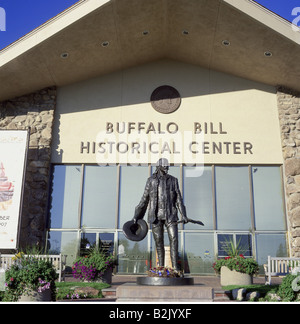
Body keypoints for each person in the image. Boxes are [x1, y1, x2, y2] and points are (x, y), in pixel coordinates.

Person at [133, 158, 188, 270]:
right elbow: (144, 199)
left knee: (174, 239)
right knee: (159, 242)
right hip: (155, 216)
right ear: (158, 167)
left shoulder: (173, 180)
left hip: (171, 215)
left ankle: (176, 268)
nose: (167, 168)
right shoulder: (150, 181)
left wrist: (184, 215)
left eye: (168, 166)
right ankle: (161, 268)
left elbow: (178, 199)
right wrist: (136, 216)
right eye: (165, 166)